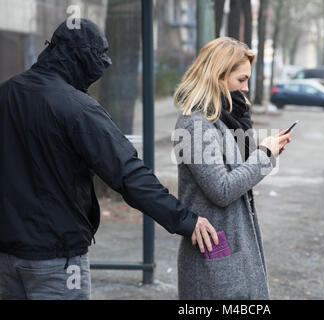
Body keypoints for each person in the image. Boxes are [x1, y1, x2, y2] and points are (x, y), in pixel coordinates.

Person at [0, 19, 218, 300]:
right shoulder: (78, 109)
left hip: (6, 257)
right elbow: (128, 175)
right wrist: (186, 221)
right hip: (58, 261)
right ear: (83, 61)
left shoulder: (5, 95)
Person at [173, 37, 292, 300]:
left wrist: (262, 151)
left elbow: (235, 173)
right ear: (218, 76)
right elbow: (222, 189)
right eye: (241, 80)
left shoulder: (222, 120)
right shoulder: (195, 124)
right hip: (213, 254)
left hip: (230, 249)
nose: (246, 88)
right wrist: (264, 155)